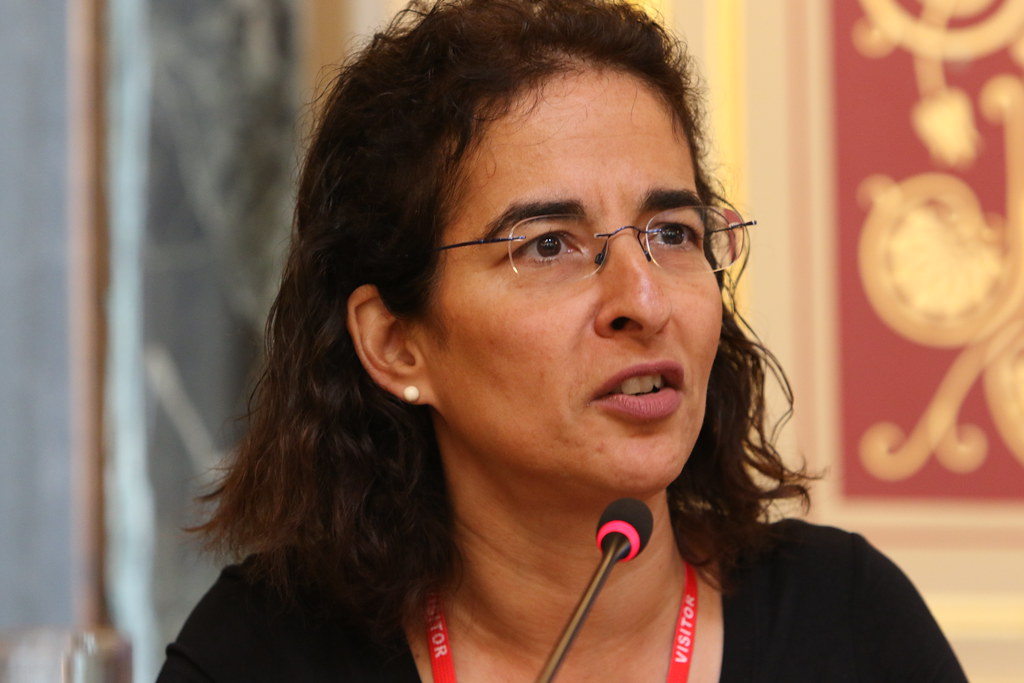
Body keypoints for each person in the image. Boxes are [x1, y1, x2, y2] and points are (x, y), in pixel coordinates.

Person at [157, 0, 967, 681]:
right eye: (548, 245)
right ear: (396, 342)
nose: (644, 301)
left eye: (673, 232)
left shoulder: (852, 626)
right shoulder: (259, 655)